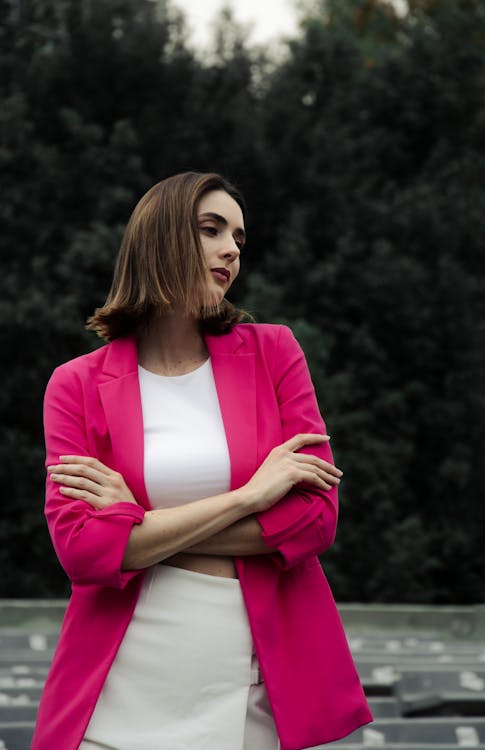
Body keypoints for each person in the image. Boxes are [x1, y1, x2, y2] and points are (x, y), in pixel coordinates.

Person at [31, 172, 372, 750]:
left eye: (239, 236)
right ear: (159, 238)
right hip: (122, 676)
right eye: (211, 229)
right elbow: (84, 554)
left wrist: (139, 525)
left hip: (249, 668)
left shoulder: (274, 352)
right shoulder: (75, 384)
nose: (231, 248)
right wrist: (250, 497)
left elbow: (316, 520)